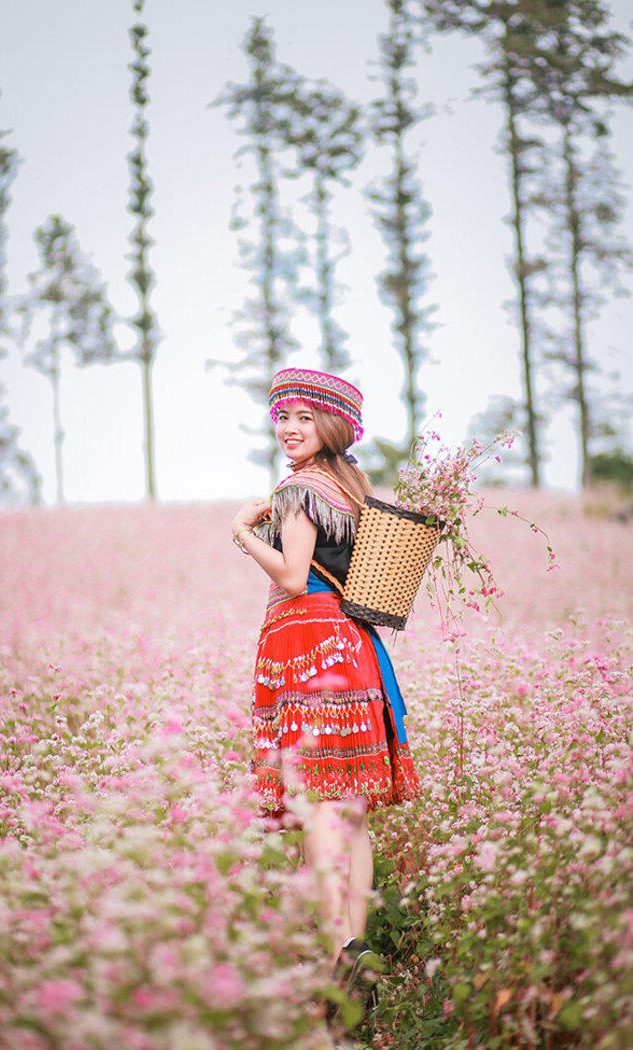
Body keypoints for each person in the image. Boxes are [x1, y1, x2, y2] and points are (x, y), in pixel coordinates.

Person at [230, 367, 420, 1036]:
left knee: (315, 800)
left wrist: (242, 531)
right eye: (282, 415)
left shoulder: (295, 490)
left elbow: (289, 573)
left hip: (307, 640)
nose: (289, 427)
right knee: (351, 808)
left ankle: (342, 951)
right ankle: (354, 947)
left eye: (304, 417)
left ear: (331, 424)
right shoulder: (351, 486)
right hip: (355, 649)